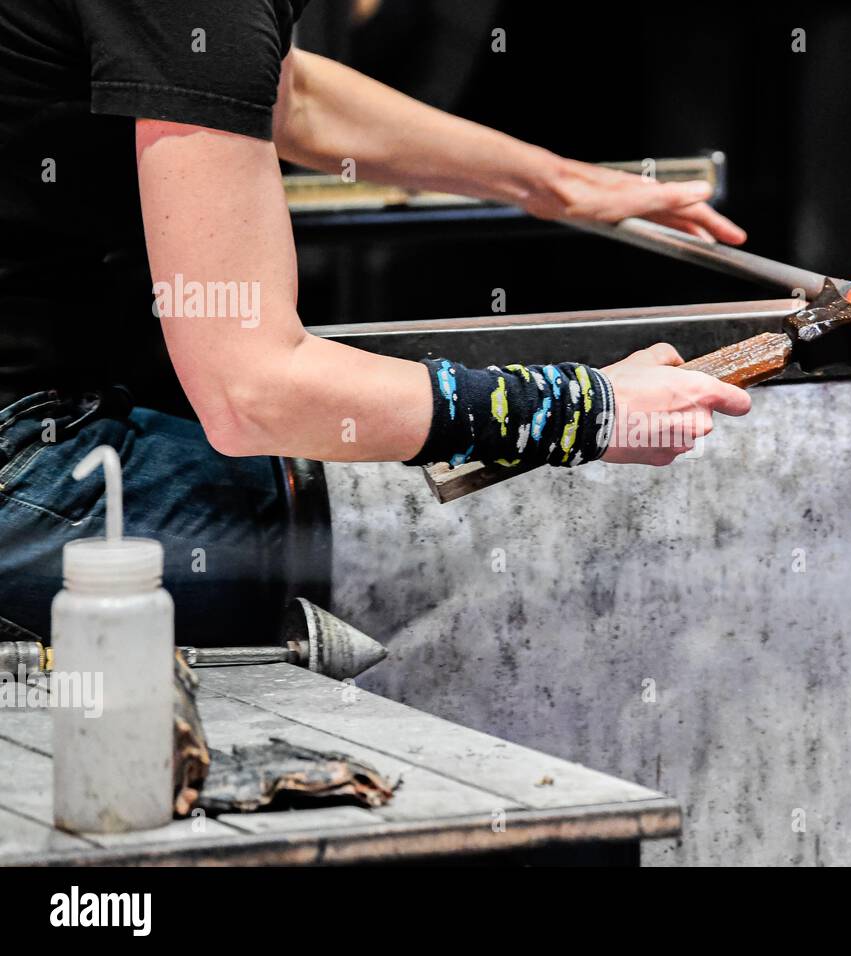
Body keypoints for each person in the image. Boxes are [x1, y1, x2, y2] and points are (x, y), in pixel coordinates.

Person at [0, 1, 751, 646]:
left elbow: (289, 96)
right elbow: (251, 392)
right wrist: (585, 411)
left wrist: (559, 183)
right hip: (22, 464)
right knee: (444, 536)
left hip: (45, 417)